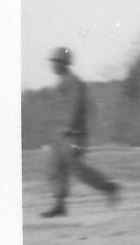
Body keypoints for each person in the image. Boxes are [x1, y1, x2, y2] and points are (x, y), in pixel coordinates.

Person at [40, 47, 120, 218]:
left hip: (74, 136)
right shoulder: (61, 83)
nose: (52, 66)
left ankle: (109, 187)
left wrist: (68, 127)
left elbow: (74, 107)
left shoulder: (75, 83)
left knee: (78, 170)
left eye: (55, 62)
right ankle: (60, 205)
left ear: (64, 64)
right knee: (55, 167)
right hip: (61, 136)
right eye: (52, 62)